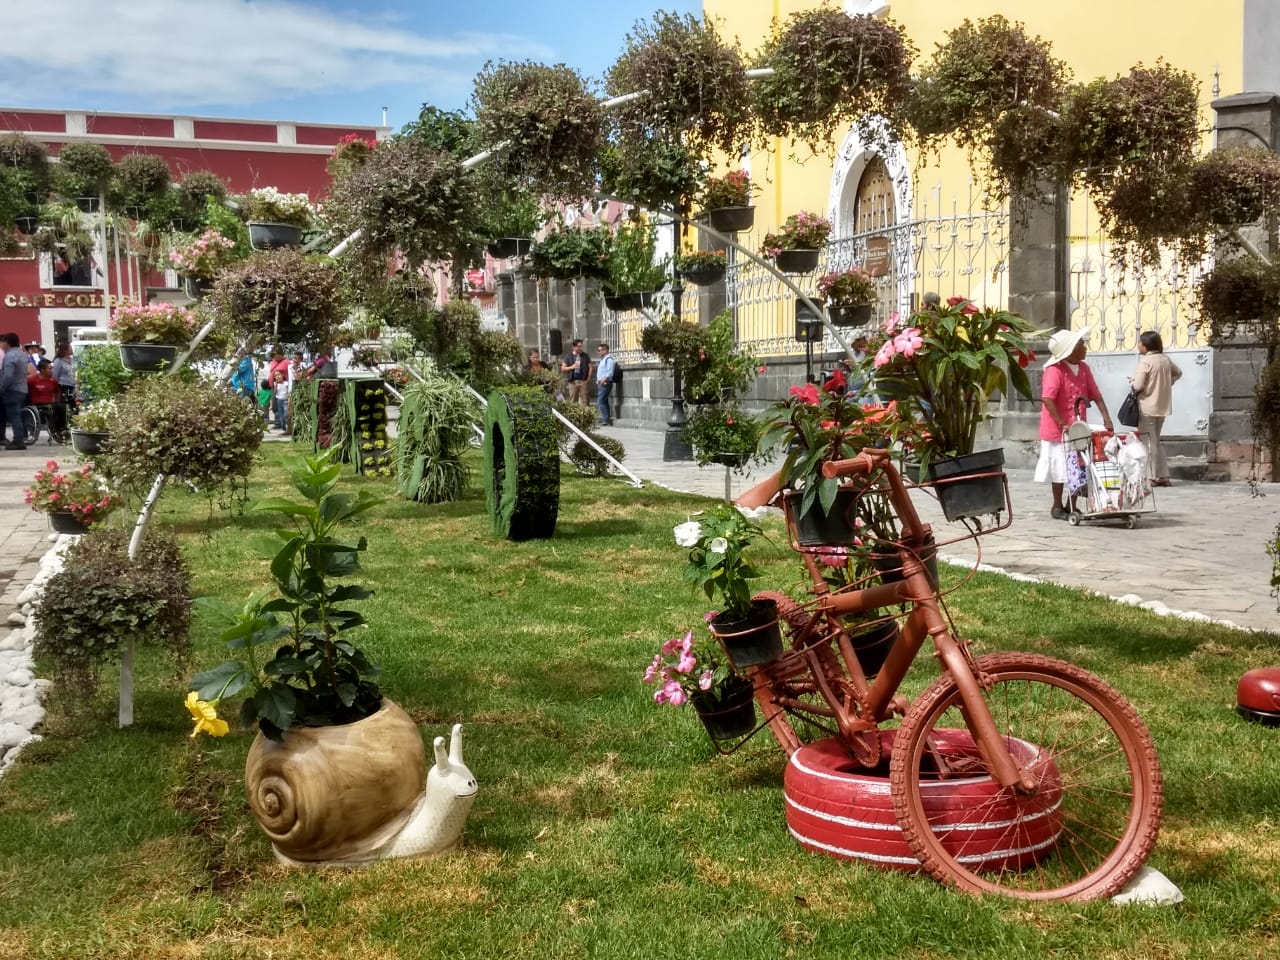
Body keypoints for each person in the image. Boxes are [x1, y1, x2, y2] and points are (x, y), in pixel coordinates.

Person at [1036, 326, 1113, 520]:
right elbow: (1047, 399)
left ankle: (1072, 504)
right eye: (1081, 344)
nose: (1085, 347)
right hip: (1057, 430)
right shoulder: (1054, 371)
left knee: (1079, 466)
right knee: (1060, 467)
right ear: (1070, 350)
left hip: (1079, 428)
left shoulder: (1084, 369)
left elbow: (1096, 395)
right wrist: (1062, 423)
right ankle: (1056, 506)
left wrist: (1106, 418)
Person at [1130, 330, 1182, 487]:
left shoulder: (1146, 362)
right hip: (1162, 405)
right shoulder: (1165, 360)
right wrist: (1167, 382)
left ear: (1146, 346)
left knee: (1148, 443)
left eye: (1140, 343)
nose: (1139, 345)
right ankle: (1163, 475)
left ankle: (1151, 476)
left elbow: (1138, 385)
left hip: (1147, 406)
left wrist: (1131, 383)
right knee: (1156, 441)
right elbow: (1178, 373)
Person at [1, 333, 30, 449]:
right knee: (18, 414)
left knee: (14, 416)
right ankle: (21, 437)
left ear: (7, 342)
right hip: (22, 388)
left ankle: (18, 440)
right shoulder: (22, 354)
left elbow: (8, 375)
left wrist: (1, 386)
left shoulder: (10, 356)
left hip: (12, 389)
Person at [27, 359, 66, 438]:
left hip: (50, 403)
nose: (52, 370)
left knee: (62, 407)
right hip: (37, 404)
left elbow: (57, 392)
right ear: (42, 370)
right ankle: (55, 429)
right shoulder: (32, 380)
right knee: (52, 408)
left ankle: (61, 429)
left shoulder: (53, 380)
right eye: (50, 368)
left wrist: (56, 400)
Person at [560, 338, 591, 404]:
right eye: (578, 346)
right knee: (573, 401)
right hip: (573, 382)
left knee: (585, 400)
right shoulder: (569, 356)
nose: (580, 348)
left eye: (581, 346)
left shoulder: (585, 356)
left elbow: (590, 367)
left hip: (583, 381)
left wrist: (588, 379)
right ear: (574, 347)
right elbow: (563, 368)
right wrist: (572, 367)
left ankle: (586, 414)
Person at [595, 342, 616, 426]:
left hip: (606, 383)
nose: (598, 352)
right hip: (601, 383)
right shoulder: (603, 360)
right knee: (604, 401)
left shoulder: (609, 359)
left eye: (599, 350)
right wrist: (598, 380)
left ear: (605, 350)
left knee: (600, 401)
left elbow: (610, 372)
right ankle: (606, 419)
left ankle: (605, 420)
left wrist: (603, 379)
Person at [51, 341, 77, 409]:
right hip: (63, 386)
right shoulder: (58, 361)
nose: (72, 349)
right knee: (65, 405)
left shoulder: (72, 360)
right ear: (65, 350)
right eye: (70, 347)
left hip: (72, 385)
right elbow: (55, 375)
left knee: (72, 404)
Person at [272, 368, 290, 434]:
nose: (277, 377)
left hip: (285, 400)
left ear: (282, 375)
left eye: (278, 375)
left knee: (286, 414)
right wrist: (276, 384)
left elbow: (288, 392)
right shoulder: (275, 384)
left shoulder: (286, 383)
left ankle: (287, 426)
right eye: (275, 376)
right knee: (281, 415)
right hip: (279, 401)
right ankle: (283, 427)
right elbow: (275, 392)